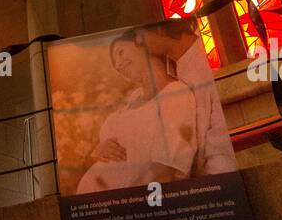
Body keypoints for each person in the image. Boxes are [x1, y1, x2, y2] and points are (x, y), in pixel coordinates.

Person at [76, 31, 195, 193]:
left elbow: (166, 168)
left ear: (144, 45)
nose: (118, 65)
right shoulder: (132, 101)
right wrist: (101, 148)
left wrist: (128, 201)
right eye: (114, 64)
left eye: (120, 52)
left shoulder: (175, 94)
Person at [139, 18, 237, 176]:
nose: (139, 42)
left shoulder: (207, 59)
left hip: (219, 172)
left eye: (141, 35)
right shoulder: (171, 70)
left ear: (160, 28)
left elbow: (219, 134)